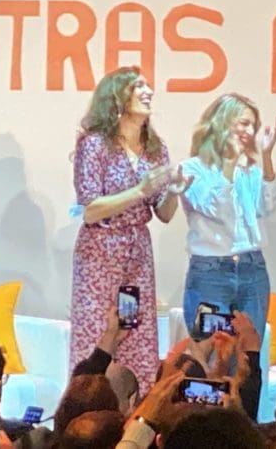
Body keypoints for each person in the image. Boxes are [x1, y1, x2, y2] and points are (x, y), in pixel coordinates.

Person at [69, 66, 191, 392]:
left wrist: (175, 192)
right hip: (100, 253)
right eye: (139, 86)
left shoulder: (155, 148)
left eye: (148, 86)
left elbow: (163, 213)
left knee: (136, 336)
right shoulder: (94, 145)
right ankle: (86, 404)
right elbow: (91, 209)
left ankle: (136, 409)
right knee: (97, 334)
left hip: (137, 254)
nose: (148, 92)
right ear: (117, 97)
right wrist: (139, 191)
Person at [179, 93, 276, 350]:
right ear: (222, 123)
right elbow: (214, 207)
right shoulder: (192, 168)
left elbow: (267, 206)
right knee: (212, 353)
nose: (249, 132)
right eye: (243, 123)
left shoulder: (250, 170)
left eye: (253, 126)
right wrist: (228, 165)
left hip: (252, 267)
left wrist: (267, 157)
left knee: (248, 355)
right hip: (211, 271)